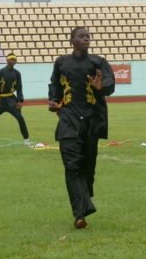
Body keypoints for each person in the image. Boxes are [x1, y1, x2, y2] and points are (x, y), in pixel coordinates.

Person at [47, 27, 116, 229]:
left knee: (87, 167)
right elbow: (55, 85)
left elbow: (110, 83)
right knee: (72, 164)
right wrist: (54, 101)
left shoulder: (98, 62)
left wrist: (100, 86)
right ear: (71, 41)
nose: (86, 38)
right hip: (68, 119)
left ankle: (84, 198)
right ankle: (79, 213)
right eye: (81, 36)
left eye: (88, 36)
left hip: (91, 121)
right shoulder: (61, 63)